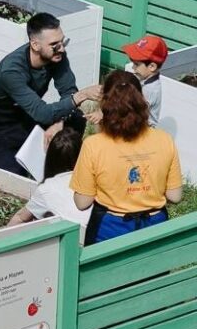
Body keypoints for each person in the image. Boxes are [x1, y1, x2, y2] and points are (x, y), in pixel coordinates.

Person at [0, 13, 101, 176]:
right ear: (35, 45)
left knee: (75, 117)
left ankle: (62, 165)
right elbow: (43, 113)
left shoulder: (57, 55)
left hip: (28, 116)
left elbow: (68, 91)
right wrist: (82, 95)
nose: (61, 48)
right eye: (54, 44)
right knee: (13, 177)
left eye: (63, 41)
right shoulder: (11, 70)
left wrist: (59, 121)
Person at [70, 69, 183, 245]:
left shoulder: (94, 145)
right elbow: (175, 196)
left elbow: (82, 202)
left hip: (109, 231)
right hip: (155, 229)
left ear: (105, 105)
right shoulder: (164, 139)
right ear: (141, 101)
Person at [6, 127, 89, 241]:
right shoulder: (93, 178)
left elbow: (21, 218)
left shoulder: (47, 188)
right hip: (93, 238)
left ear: (51, 158)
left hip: (71, 243)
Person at [123, 34, 167, 127]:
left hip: (143, 132)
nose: (133, 67)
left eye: (136, 64)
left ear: (152, 66)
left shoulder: (150, 90)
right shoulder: (144, 78)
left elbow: (132, 113)